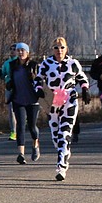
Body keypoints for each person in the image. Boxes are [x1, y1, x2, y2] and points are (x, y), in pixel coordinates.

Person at [34, 36, 91, 182]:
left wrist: (85, 89)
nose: (59, 50)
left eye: (62, 47)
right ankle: (64, 151)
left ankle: (61, 167)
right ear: (52, 49)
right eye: (56, 48)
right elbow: (38, 78)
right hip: (52, 103)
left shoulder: (73, 63)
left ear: (67, 49)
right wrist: (39, 89)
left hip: (69, 101)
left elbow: (82, 78)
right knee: (55, 137)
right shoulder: (47, 63)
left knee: (64, 133)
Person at [0, 43, 41, 164]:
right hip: (18, 99)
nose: (20, 52)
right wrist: (8, 82)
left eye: (23, 50)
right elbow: (6, 75)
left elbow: (40, 79)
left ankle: (35, 144)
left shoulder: (34, 65)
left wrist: (40, 89)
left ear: (27, 52)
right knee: (20, 126)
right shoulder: (12, 65)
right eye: (19, 50)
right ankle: (21, 154)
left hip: (33, 100)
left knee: (32, 126)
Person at [0, 44, 20, 141]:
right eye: (11, 49)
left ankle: (22, 124)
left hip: (20, 88)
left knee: (21, 108)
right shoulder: (6, 63)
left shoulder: (21, 62)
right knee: (11, 110)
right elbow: (3, 74)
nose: (12, 51)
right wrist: (0, 74)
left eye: (14, 49)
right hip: (9, 88)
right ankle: (13, 132)